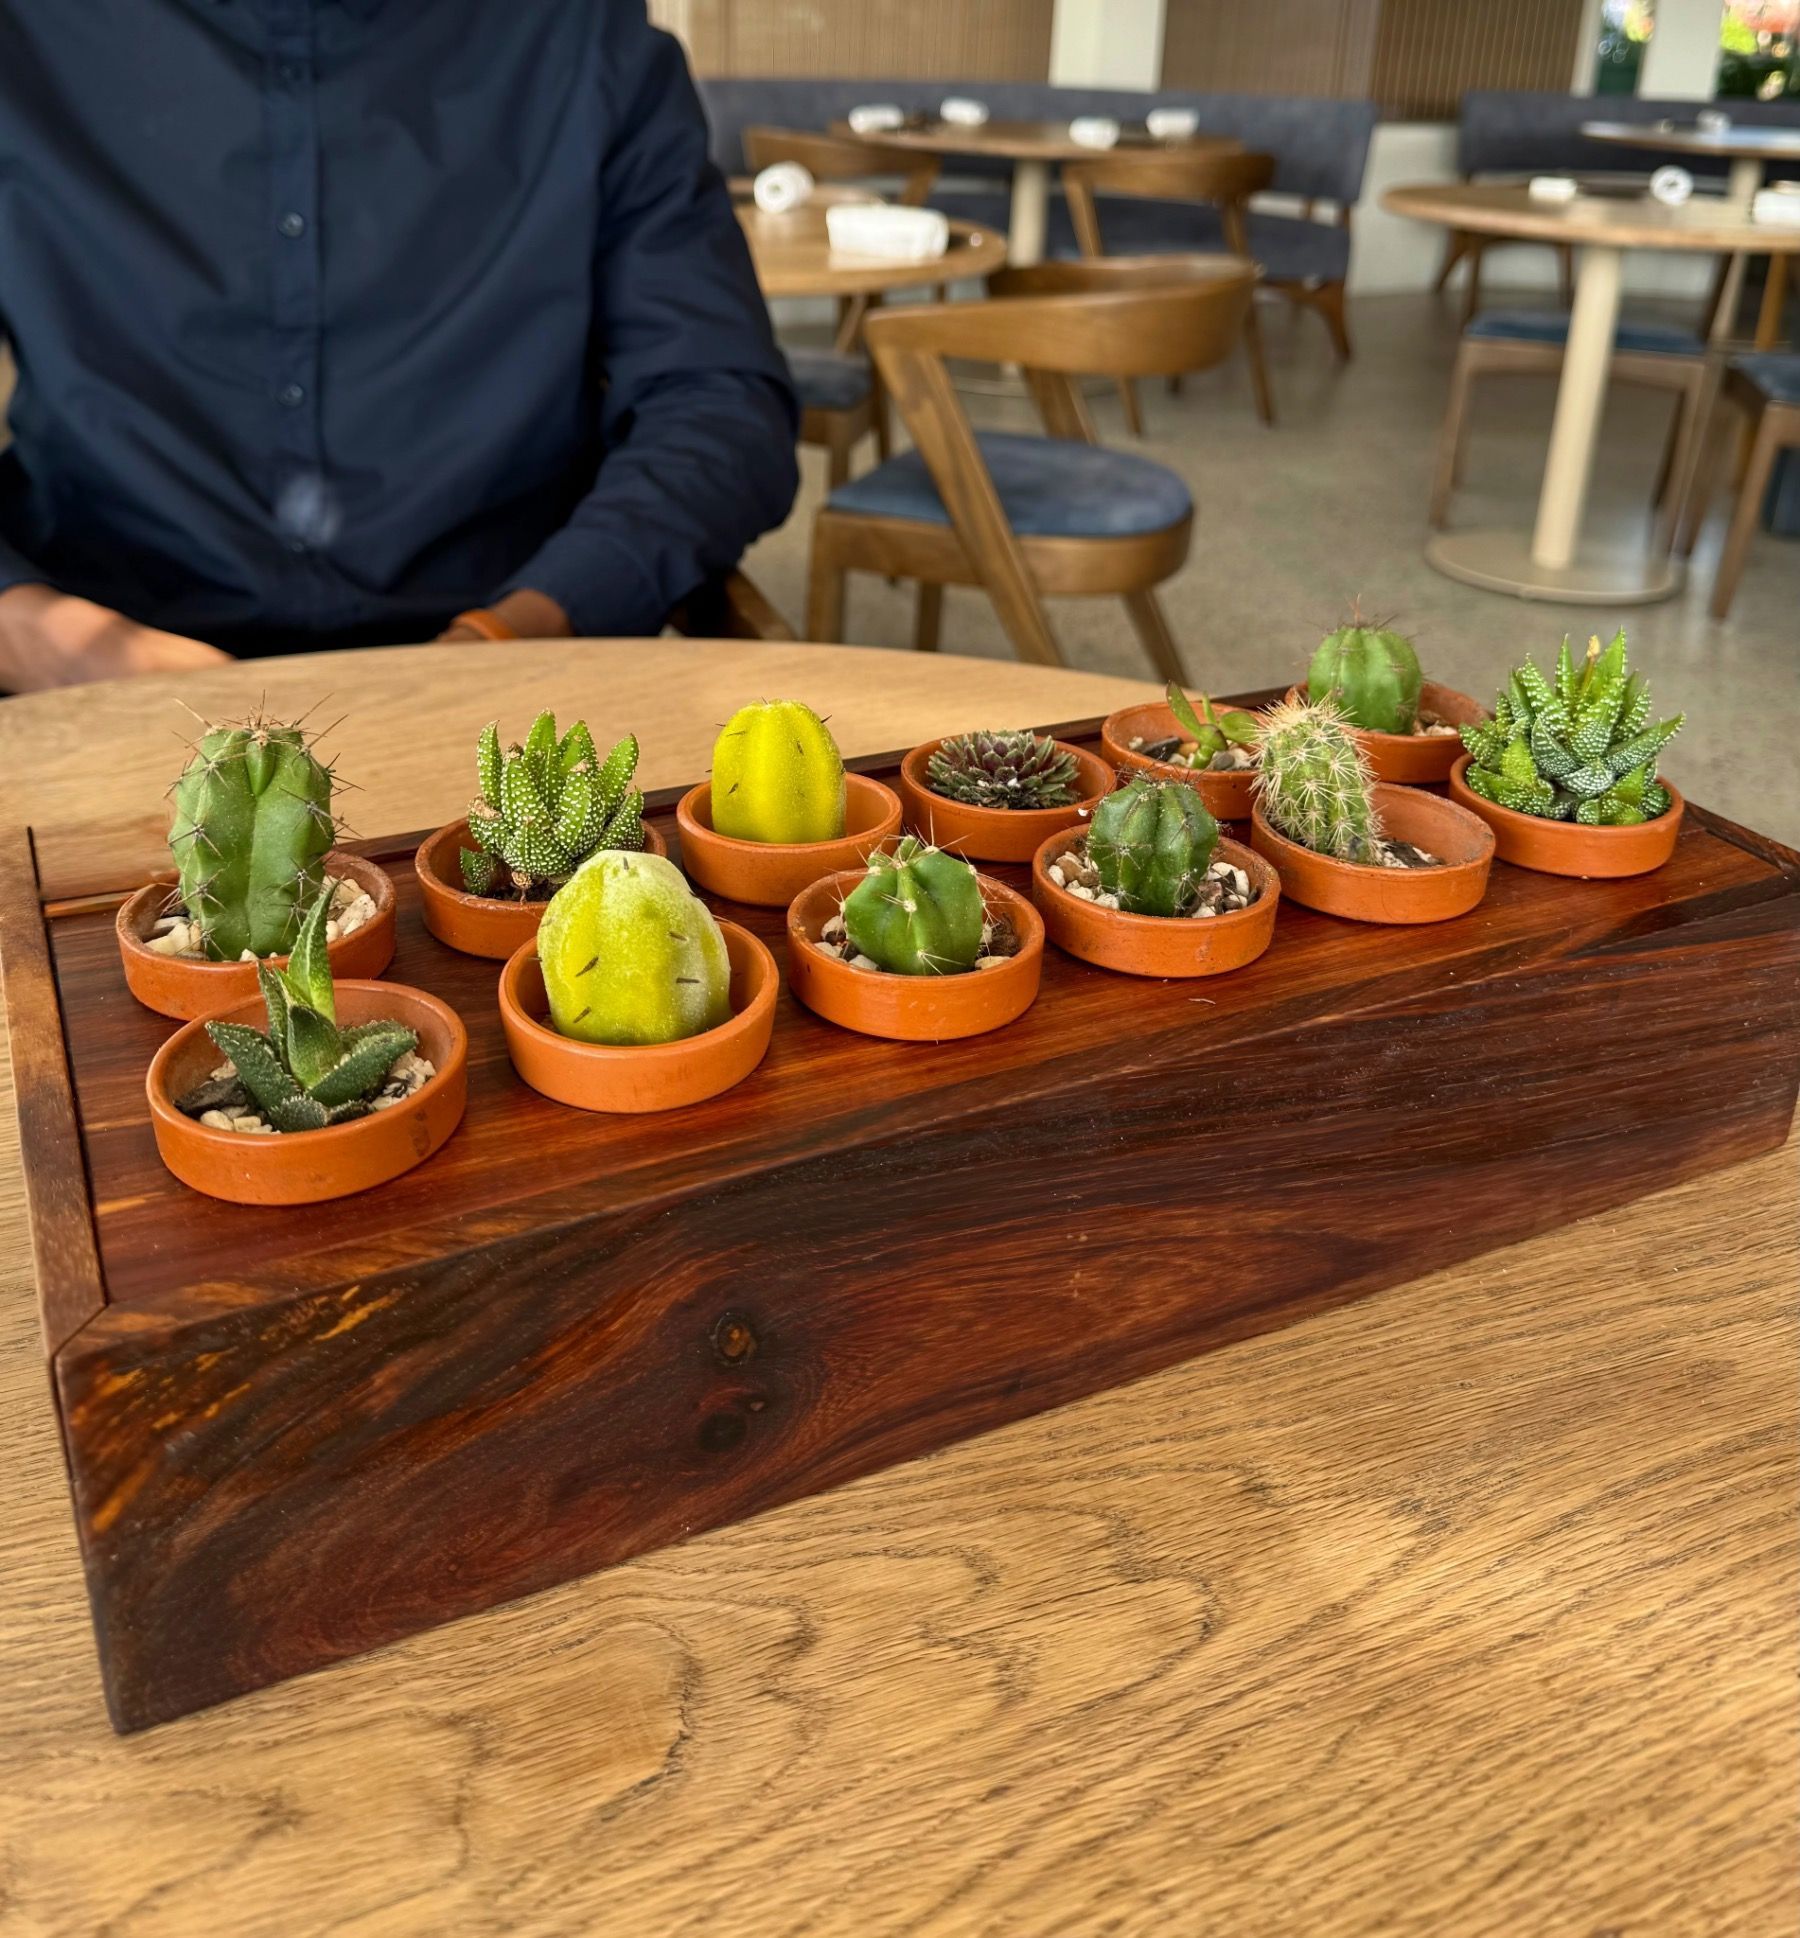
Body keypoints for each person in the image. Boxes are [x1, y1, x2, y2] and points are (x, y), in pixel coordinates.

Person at [0, 0, 799, 691]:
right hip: (86, 672)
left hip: (506, 671)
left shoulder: (579, 34)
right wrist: (40, 636)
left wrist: (527, 624)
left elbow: (717, 399)